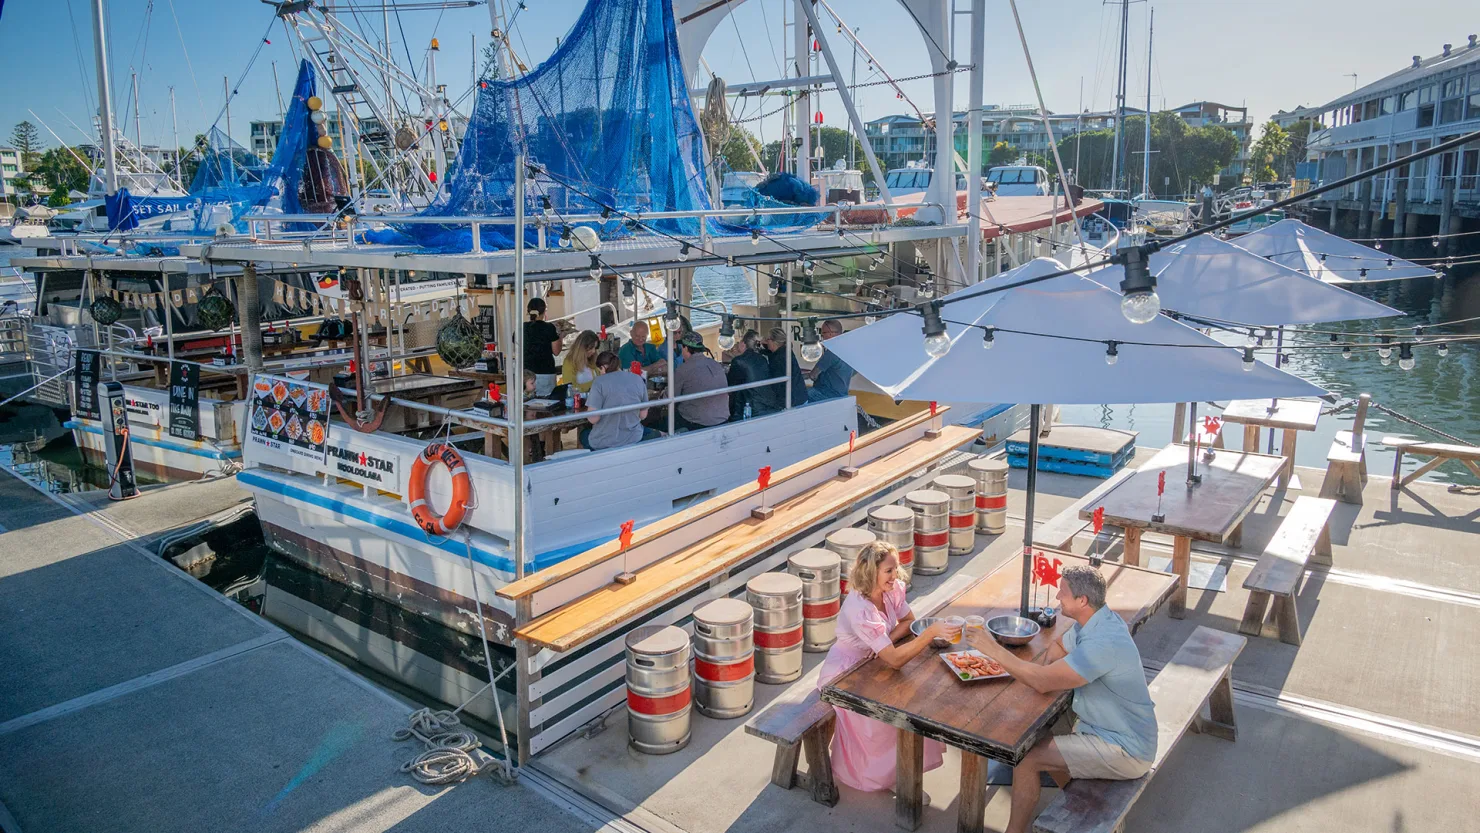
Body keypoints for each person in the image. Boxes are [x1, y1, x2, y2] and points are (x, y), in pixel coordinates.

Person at [966, 566, 1157, 833]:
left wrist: (992, 648)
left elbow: (1042, 683)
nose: (1056, 596)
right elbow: (1056, 649)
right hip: (1111, 729)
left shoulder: (1102, 643)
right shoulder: (1096, 620)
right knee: (1046, 729)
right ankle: (1076, 801)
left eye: (1063, 592)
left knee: (1028, 758)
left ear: (1082, 601)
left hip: (1126, 749)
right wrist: (1046, 673)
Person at [818, 541, 958, 792]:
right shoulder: (860, 609)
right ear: (871, 572)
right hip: (846, 672)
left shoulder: (890, 591)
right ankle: (893, 779)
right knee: (882, 717)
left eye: (896, 569)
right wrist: (930, 634)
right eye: (889, 571)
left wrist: (884, 641)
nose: (895, 576)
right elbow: (894, 660)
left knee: (916, 698)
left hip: (874, 660)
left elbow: (908, 620)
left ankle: (903, 770)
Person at [579, 351, 660, 450]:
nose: (600, 373)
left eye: (599, 370)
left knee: (583, 434)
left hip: (604, 441)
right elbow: (643, 416)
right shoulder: (637, 379)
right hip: (633, 437)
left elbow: (593, 419)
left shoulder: (599, 382)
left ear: (603, 367)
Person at [668, 331, 729, 432]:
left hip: (698, 423)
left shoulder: (683, 369)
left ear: (686, 348)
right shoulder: (716, 364)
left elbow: (671, 397)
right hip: (722, 419)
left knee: (663, 421)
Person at [752, 326, 805, 415]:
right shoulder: (785, 351)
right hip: (799, 396)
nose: (766, 342)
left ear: (773, 341)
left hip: (791, 400)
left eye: (767, 339)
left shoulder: (778, 359)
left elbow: (776, 384)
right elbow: (771, 354)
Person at [725, 329, 769, 422]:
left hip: (748, 407)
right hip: (765, 404)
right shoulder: (763, 359)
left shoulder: (738, 361)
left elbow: (730, 385)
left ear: (743, 344)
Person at [807, 319, 855, 402]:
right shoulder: (848, 349)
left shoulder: (832, 352)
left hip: (826, 394)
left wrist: (798, 376)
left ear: (830, 333)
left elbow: (813, 375)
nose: (822, 336)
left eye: (823, 333)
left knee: (797, 395)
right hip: (842, 393)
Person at [523, 298, 562, 396]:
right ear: (544, 311)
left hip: (526, 374)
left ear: (528, 311)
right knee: (546, 405)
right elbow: (556, 351)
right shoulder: (549, 328)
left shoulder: (522, 327)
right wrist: (561, 336)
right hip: (546, 372)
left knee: (528, 404)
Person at [561, 330, 600, 394]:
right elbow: (570, 388)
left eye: (595, 348)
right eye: (591, 348)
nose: (593, 351)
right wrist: (594, 384)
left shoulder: (594, 360)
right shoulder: (569, 362)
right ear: (582, 347)